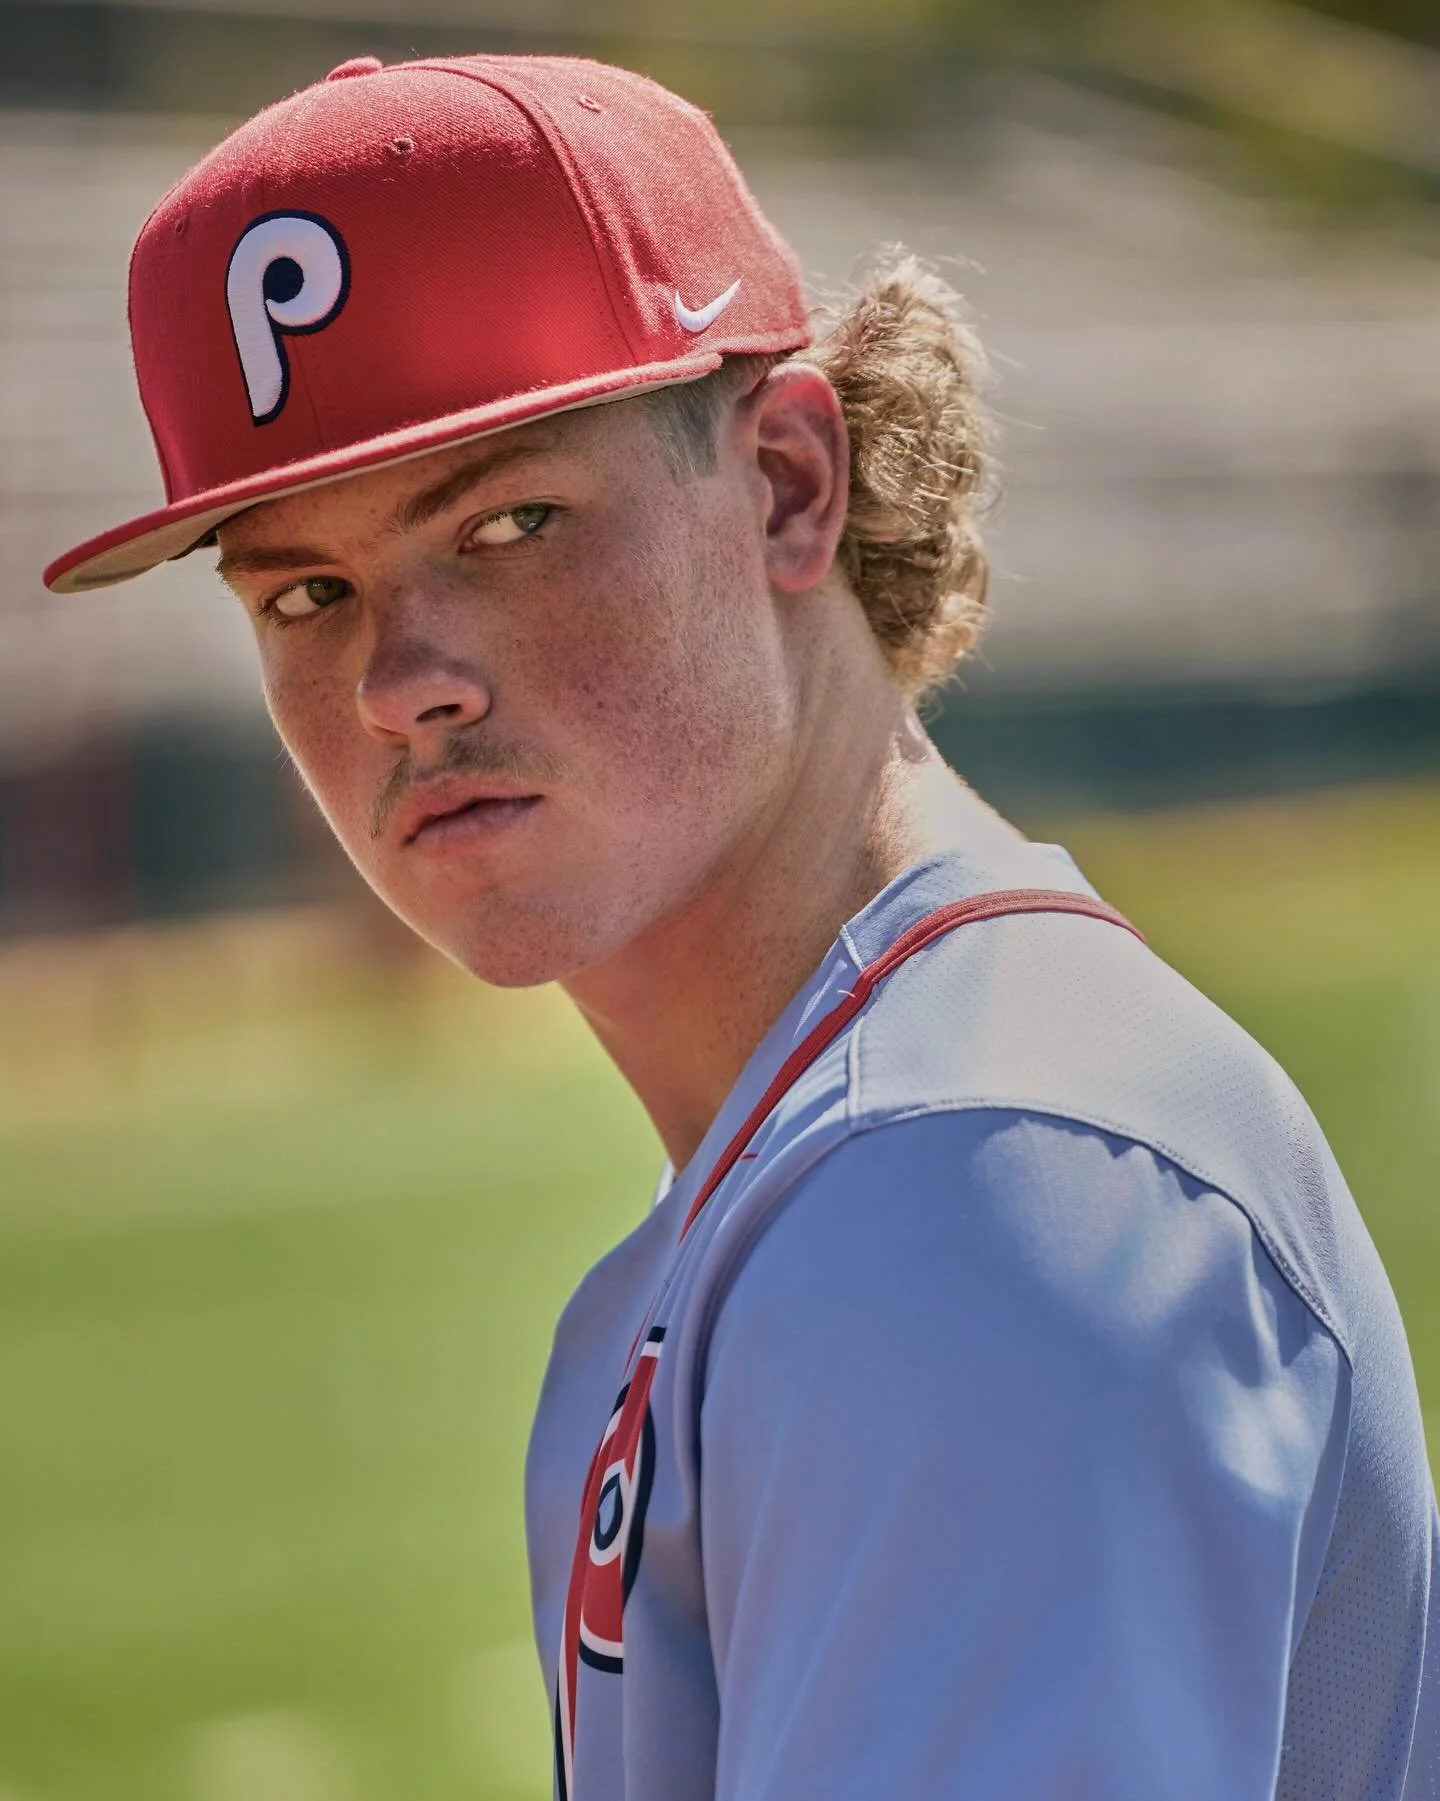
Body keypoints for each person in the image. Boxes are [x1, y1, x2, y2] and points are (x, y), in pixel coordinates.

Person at [45, 51, 1438, 1801]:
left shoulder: (973, 1180)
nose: (402, 683)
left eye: (510, 523)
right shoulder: (849, 1150)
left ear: (788, 483)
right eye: (307, 593)